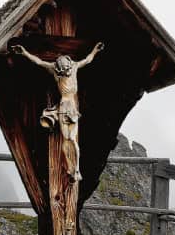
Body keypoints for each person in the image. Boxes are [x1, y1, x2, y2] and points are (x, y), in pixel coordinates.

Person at [9, 40, 104, 182]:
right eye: (62, 69)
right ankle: (70, 168)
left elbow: (88, 60)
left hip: (72, 107)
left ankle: (77, 169)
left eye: (65, 67)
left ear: (69, 64)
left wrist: (95, 50)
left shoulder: (75, 67)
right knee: (66, 139)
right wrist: (25, 53)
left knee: (72, 138)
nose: (64, 71)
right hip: (63, 105)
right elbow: (39, 62)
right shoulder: (54, 69)